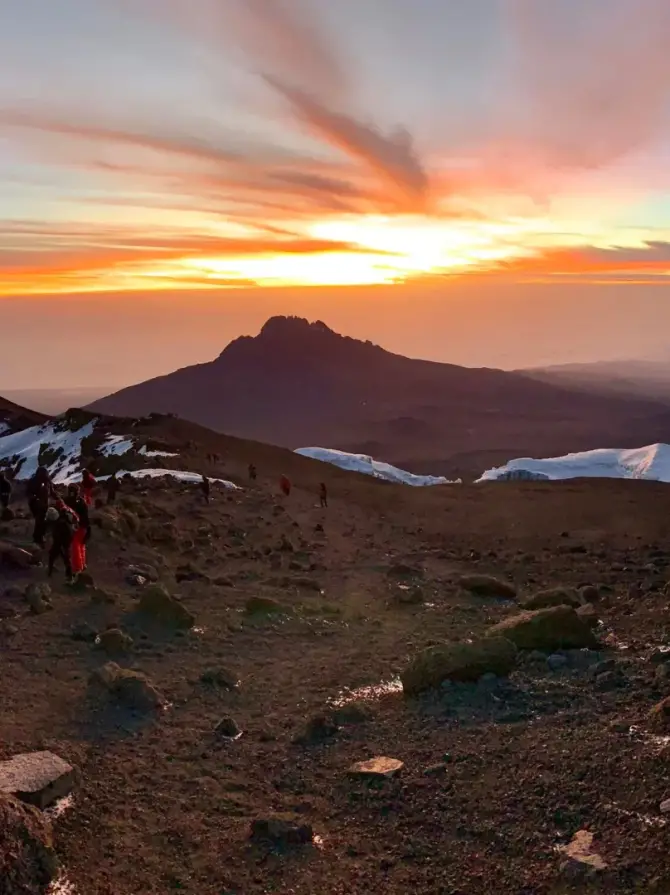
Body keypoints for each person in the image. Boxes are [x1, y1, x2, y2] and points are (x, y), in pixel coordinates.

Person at [45, 502, 77, 582]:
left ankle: (68, 576)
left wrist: (62, 545)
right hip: (62, 541)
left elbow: (63, 536)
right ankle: (51, 572)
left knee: (64, 558)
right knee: (61, 557)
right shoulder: (62, 521)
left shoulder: (60, 525)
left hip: (63, 542)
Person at [65, 485, 89, 578]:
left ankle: (77, 568)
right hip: (83, 526)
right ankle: (82, 564)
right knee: (81, 545)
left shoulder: (67, 501)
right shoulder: (82, 501)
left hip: (74, 526)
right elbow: (86, 516)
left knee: (75, 547)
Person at [26, 466, 53, 547]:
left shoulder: (47, 481)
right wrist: (35, 498)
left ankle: (40, 537)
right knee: (40, 520)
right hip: (36, 504)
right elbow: (28, 492)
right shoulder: (33, 481)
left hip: (44, 504)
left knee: (43, 521)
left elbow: (51, 491)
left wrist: (58, 497)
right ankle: (38, 538)